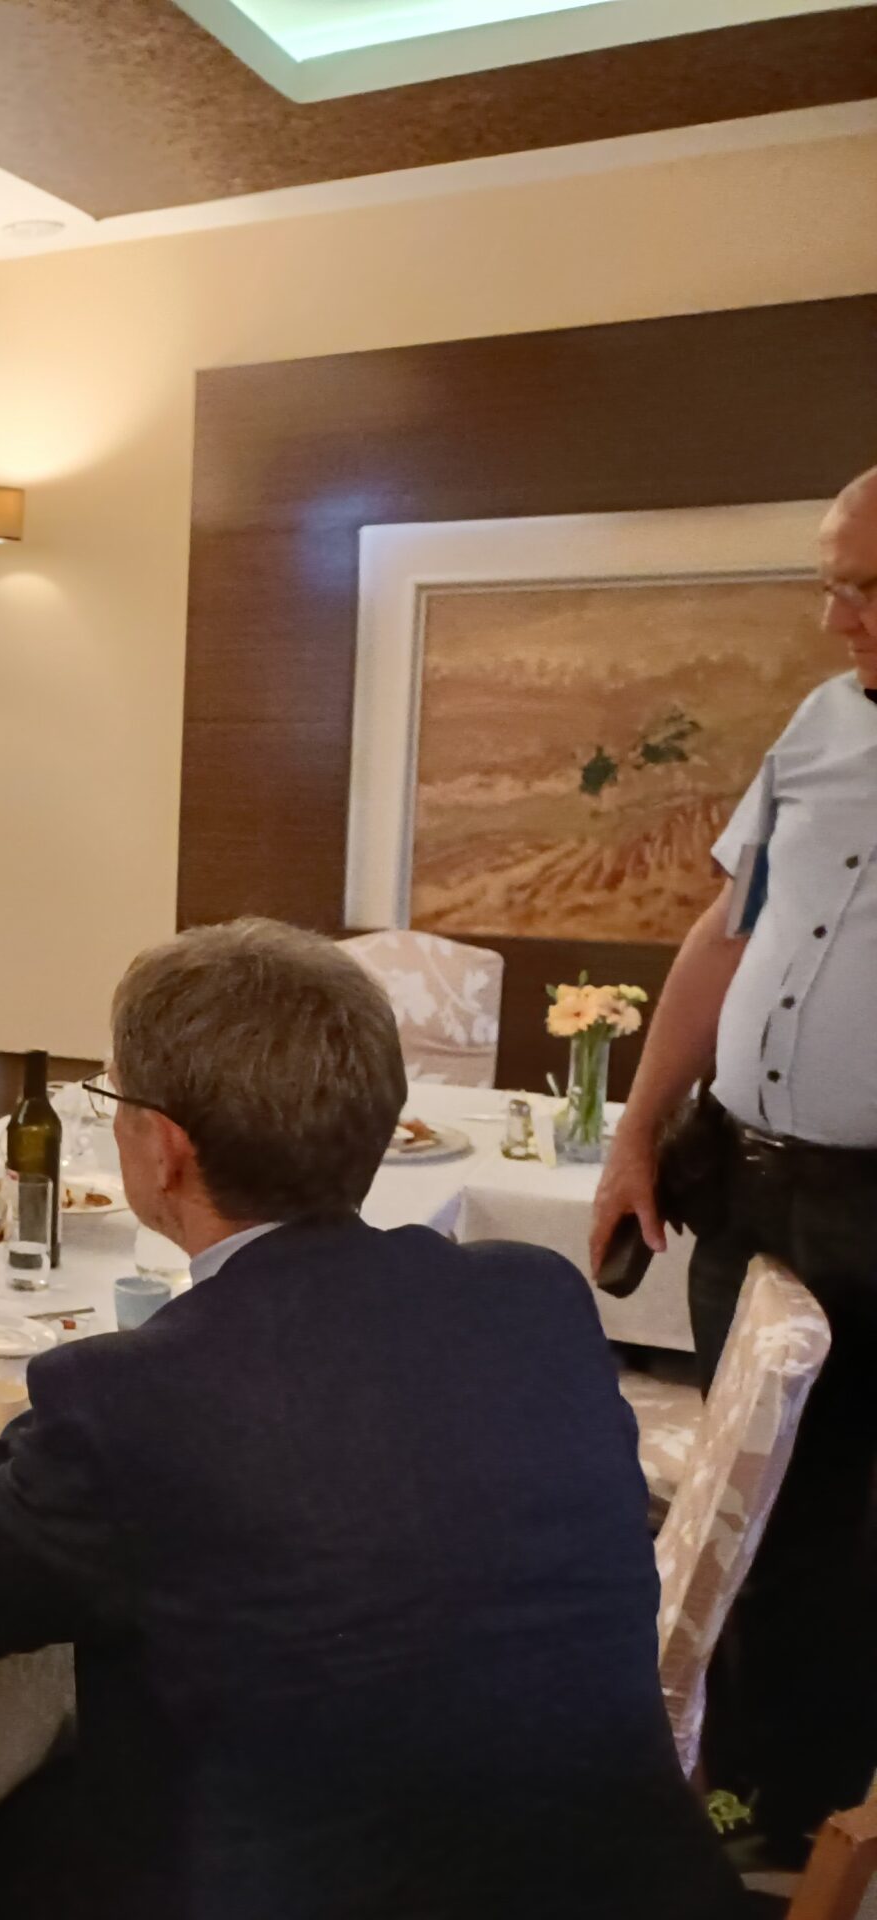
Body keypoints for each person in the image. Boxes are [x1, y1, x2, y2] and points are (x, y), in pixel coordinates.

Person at [0, 920, 741, 1920]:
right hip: (619, 1884)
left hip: (309, 1885)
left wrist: (20, 1424)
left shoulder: (136, 1398)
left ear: (163, 1150)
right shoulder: (534, 1299)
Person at [592, 464, 877, 1861]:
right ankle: (740, 1780)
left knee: (842, 1524)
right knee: (747, 1498)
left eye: (867, 588)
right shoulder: (820, 724)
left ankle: (821, 1815)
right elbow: (722, 932)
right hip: (751, 1179)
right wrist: (636, 1131)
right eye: (833, 582)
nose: (837, 618)